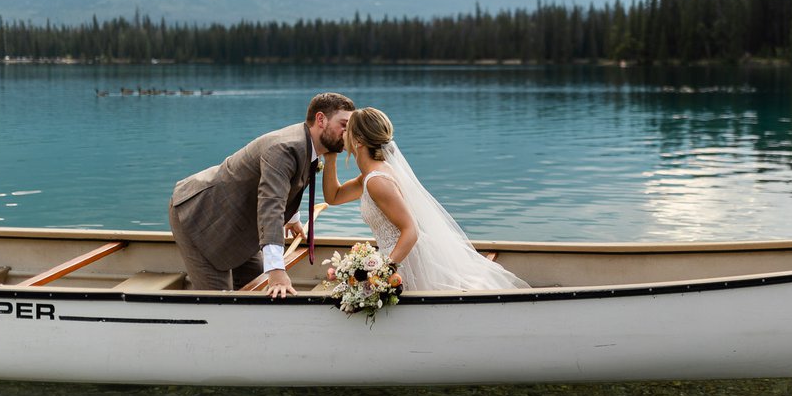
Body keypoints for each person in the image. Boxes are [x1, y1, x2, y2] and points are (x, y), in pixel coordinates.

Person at [169, 92, 355, 297]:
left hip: (239, 224)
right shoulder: (284, 148)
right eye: (344, 124)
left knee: (258, 280)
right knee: (219, 302)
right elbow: (271, 205)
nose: (348, 133)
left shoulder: (307, 145)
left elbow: (287, 185)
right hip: (202, 217)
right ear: (321, 119)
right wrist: (276, 271)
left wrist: (292, 218)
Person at [322, 107, 529, 292]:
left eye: (347, 129)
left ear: (358, 141)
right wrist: (330, 158)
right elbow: (334, 196)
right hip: (392, 258)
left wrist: (384, 270)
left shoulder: (377, 181)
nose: (343, 133)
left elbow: (410, 230)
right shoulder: (368, 176)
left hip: (405, 261)